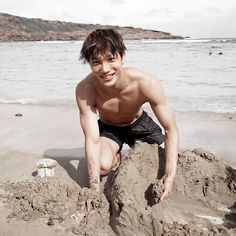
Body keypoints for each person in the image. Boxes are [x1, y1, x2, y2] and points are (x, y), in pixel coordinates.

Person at [76, 29, 179, 209]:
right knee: (101, 167)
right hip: (109, 129)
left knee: (168, 159)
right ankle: (116, 158)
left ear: (122, 56)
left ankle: (135, 151)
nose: (105, 69)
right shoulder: (85, 89)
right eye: (96, 62)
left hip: (140, 124)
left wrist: (169, 176)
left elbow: (170, 129)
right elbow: (91, 139)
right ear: (89, 63)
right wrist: (93, 189)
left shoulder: (145, 81)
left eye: (111, 59)